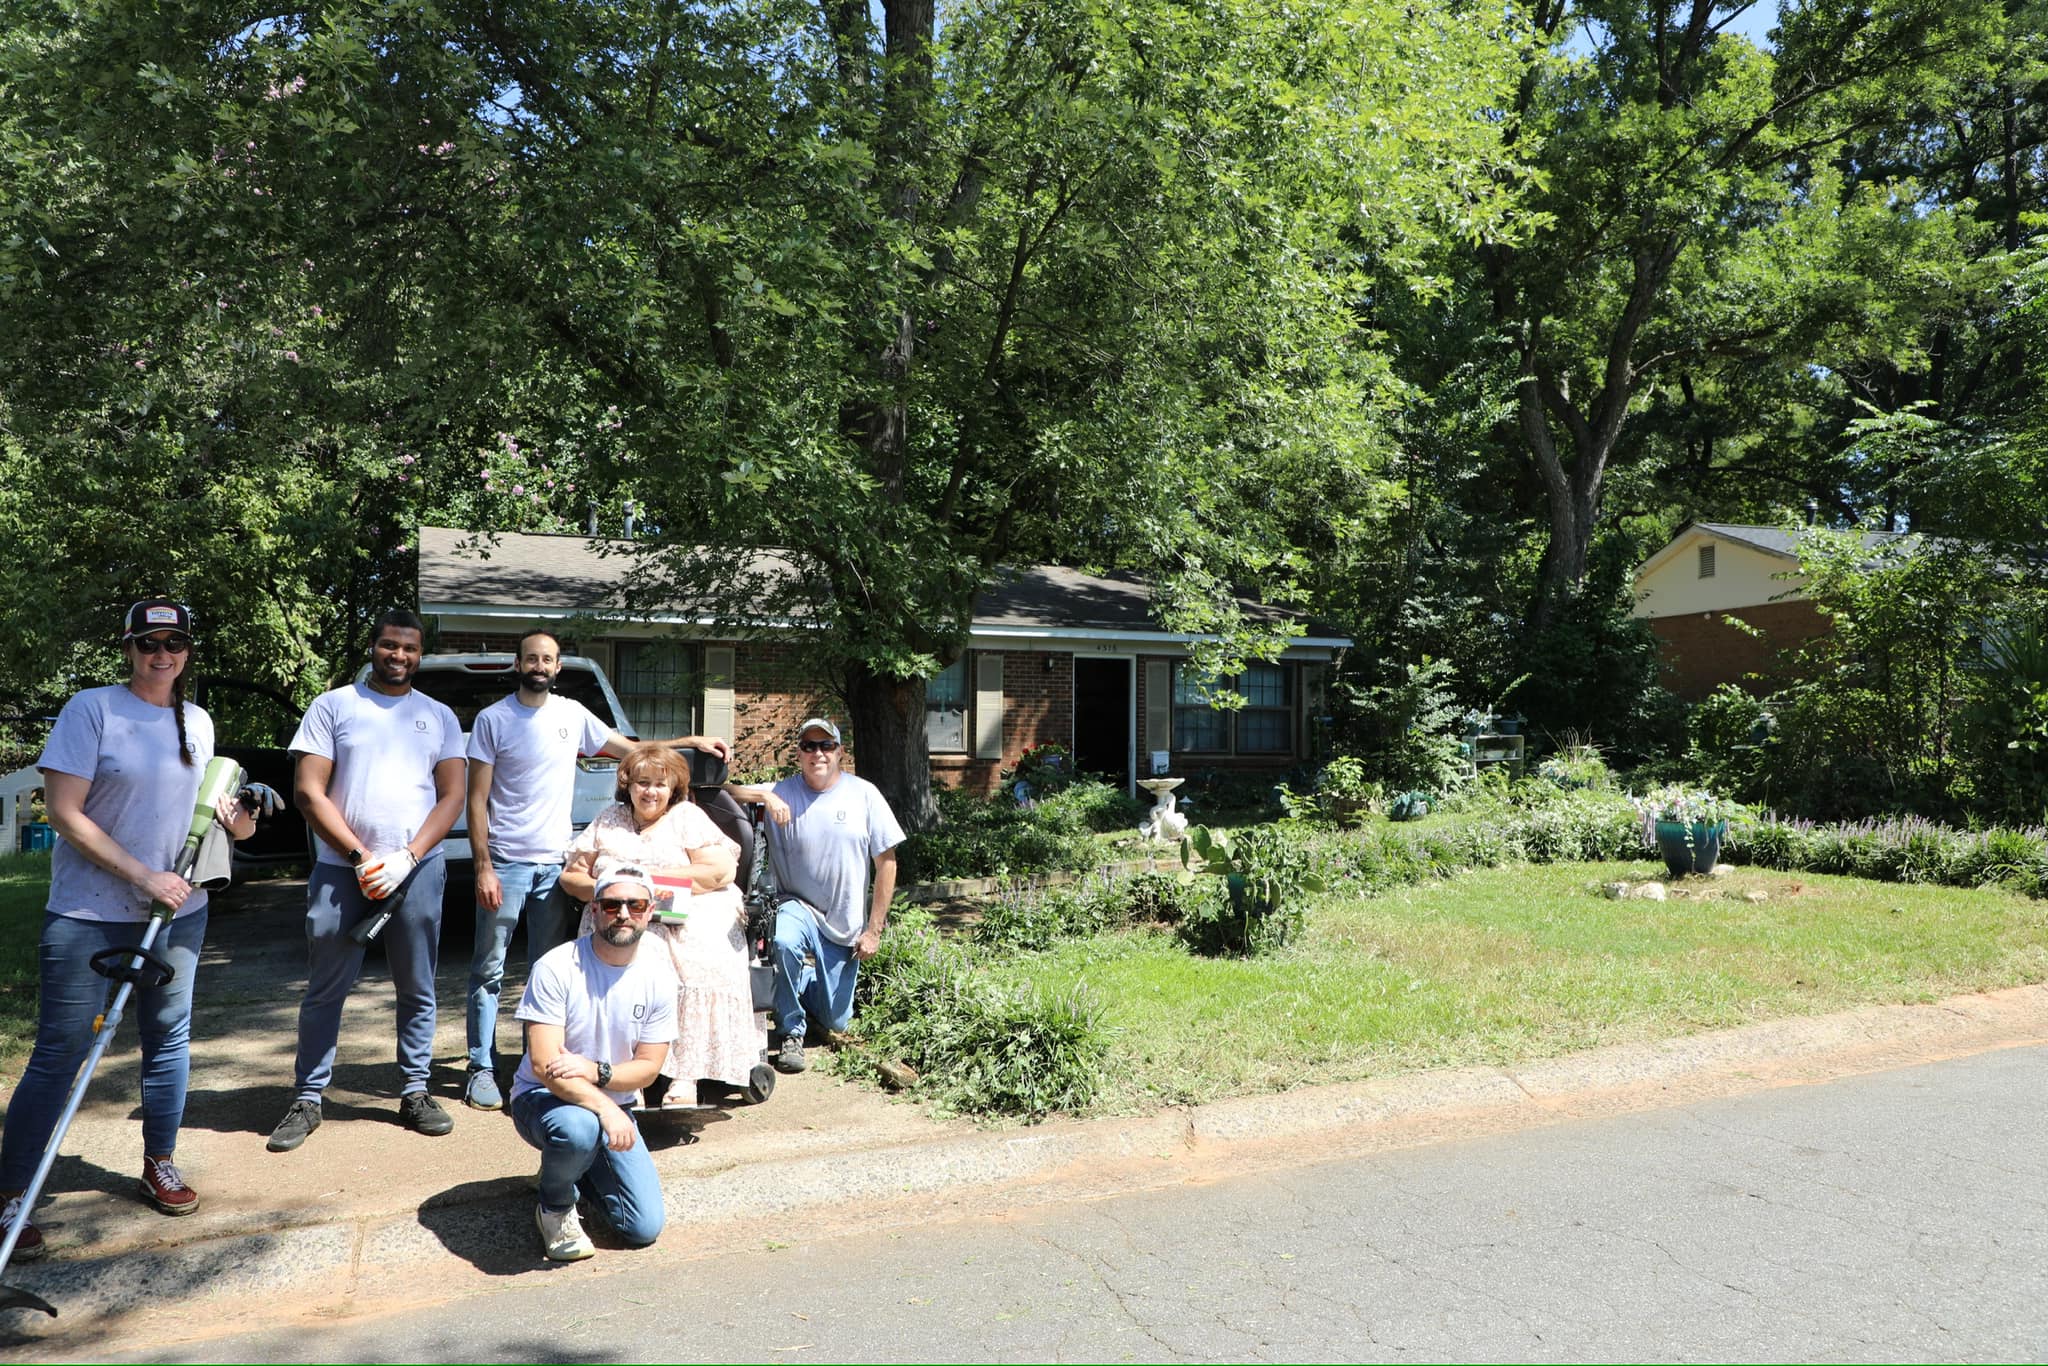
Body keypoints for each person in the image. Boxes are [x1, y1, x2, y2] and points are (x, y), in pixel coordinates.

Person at [1, 600, 258, 1258]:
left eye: (174, 642)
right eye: (149, 642)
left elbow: (221, 822)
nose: (161, 653)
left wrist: (240, 821)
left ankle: (159, 1162)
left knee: (168, 1040)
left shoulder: (198, 722)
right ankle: (13, 1195)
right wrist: (144, 876)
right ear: (129, 647)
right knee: (60, 1053)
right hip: (88, 915)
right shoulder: (92, 710)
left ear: (188, 650)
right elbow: (63, 812)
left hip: (179, 915)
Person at [462, 629, 730, 1111]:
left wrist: (687, 742)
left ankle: (537, 1064)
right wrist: (483, 864)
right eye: (531, 658)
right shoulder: (493, 719)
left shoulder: (572, 715)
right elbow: (475, 799)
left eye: (547, 659)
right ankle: (481, 1065)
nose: (539, 666)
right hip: (506, 861)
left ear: (557, 666)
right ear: (518, 663)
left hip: (554, 861)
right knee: (489, 968)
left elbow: (635, 753)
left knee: (549, 972)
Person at [267, 609, 466, 1153]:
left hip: (417, 868)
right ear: (372, 648)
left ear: (419, 653)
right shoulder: (334, 706)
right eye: (388, 645)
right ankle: (308, 1098)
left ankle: (416, 1090)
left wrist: (407, 856)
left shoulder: (438, 715)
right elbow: (309, 791)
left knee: (417, 985)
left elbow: (452, 796)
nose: (398, 655)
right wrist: (360, 856)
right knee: (325, 986)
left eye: (409, 647)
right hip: (341, 870)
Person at [559, 745, 763, 1102]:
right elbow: (571, 877)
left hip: (690, 910)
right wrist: (611, 891)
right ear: (628, 786)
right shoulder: (609, 819)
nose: (650, 791)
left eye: (659, 784)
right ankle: (626, 1074)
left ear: (673, 789)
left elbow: (720, 870)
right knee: (641, 953)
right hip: (622, 913)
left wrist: (648, 880)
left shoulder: (687, 816)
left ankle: (687, 1075)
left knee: (700, 959)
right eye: (642, 783)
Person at [510, 861, 675, 1261]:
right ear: (594, 910)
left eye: (635, 905)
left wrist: (595, 1070)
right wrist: (605, 1108)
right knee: (579, 1128)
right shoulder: (556, 966)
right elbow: (544, 1065)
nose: (623, 914)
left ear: (650, 912)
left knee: (643, 1227)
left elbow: (649, 1067)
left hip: (610, 1103)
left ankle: (570, 1170)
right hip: (543, 1100)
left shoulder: (659, 976)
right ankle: (555, 1206)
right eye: (612, 904)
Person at [760, 717, 904, 1075]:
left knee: (836, 1020)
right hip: (796, 904)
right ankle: (790, 1030)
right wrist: (763, 794)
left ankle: (797, 986)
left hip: (842, 923)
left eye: (826, 746)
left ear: (840, 752)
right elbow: (725, 791)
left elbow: (887, 862)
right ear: (799, 753)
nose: (818, 753)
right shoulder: (782, 790)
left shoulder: (864, 794)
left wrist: (874, 931)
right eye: (809, 746)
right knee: (784, 939)